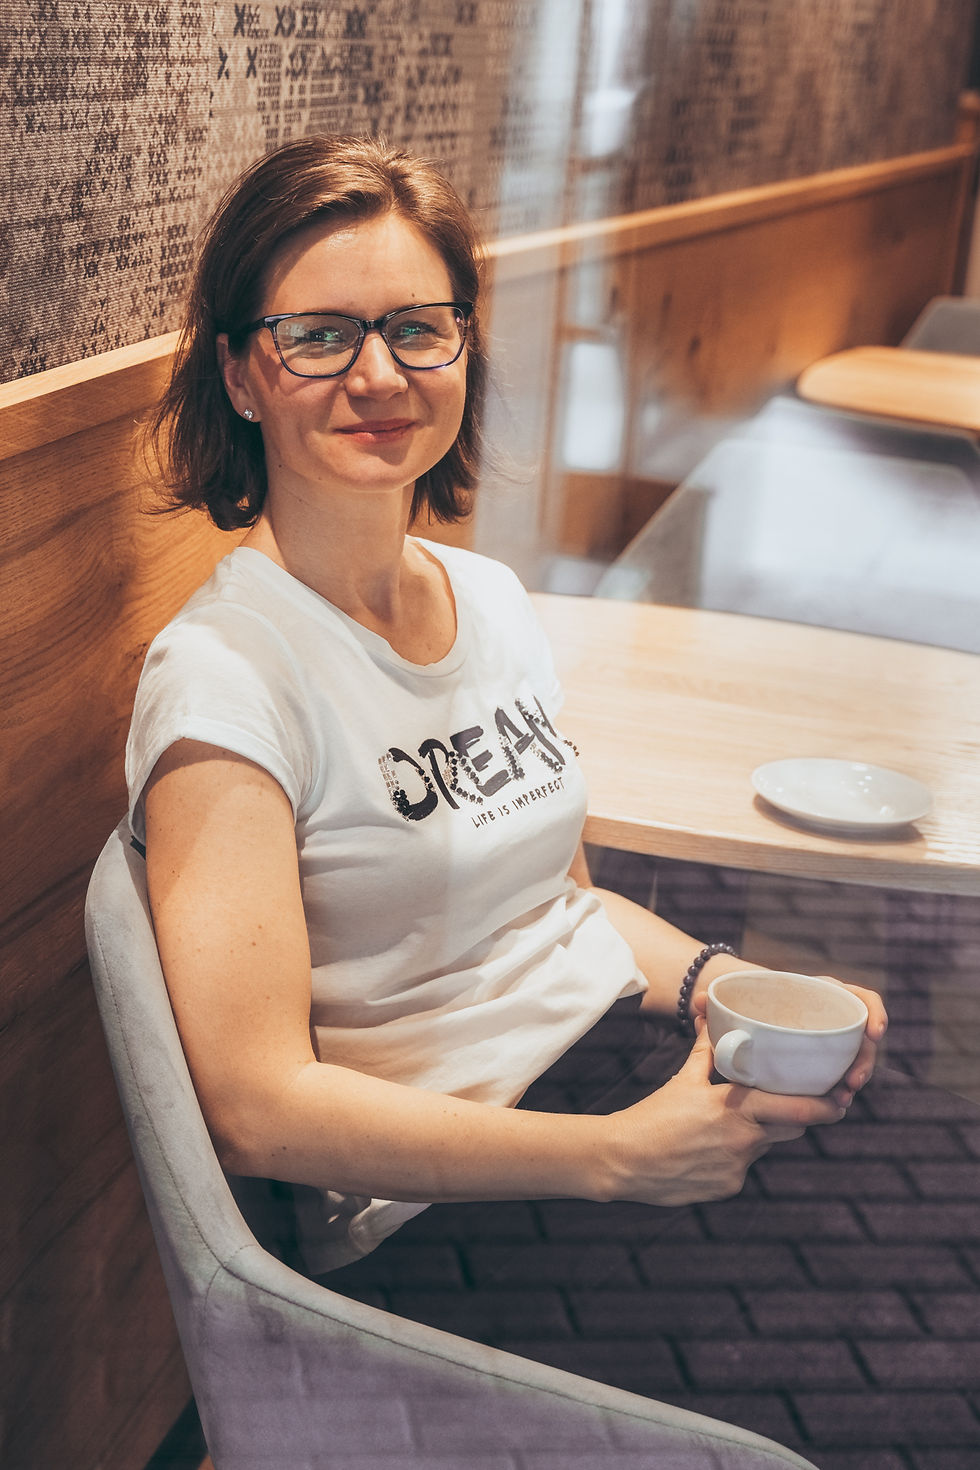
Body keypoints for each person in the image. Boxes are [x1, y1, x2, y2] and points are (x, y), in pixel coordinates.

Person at [128, 133, 886, 1278]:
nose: (378, 376)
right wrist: (612, 1157)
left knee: (889, 1167)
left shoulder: (485, 595)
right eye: (319, 336)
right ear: (240, 376)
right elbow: (256, 1108)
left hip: (596, 1085)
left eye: (415, 328)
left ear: (462, 350)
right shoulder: (225, 676)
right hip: (449, 1205)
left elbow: (557, 909)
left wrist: (715, 979)